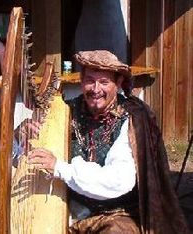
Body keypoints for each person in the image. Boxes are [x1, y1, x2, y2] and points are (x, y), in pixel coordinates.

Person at [15, 50, 188, 233]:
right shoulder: (66, 110)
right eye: (90, 80)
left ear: (118, 83)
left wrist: (59, 167)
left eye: (104, 82)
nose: (96, 89)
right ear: (81, 81)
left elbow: (118, 181)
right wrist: (20, 136)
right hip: (72, 208)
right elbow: (25, 162)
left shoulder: (130, 119)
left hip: (116, 213)